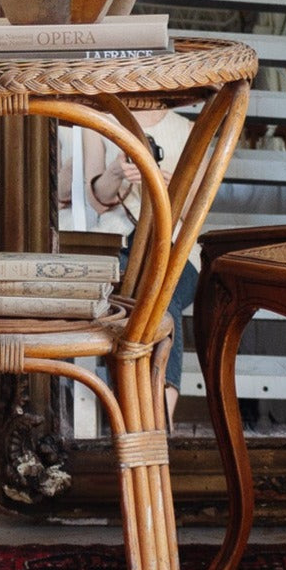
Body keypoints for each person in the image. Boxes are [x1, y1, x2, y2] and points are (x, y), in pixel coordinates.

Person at [83, 108, 202, 429]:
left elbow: (198, 207)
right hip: (118, 245)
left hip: (176, 249)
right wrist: (117, 172)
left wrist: (169, 186)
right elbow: (96, 199)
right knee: (148, 292)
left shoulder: (190, 129)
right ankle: (156, 418)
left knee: (161, 285)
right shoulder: (101, 121)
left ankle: (152, 416)